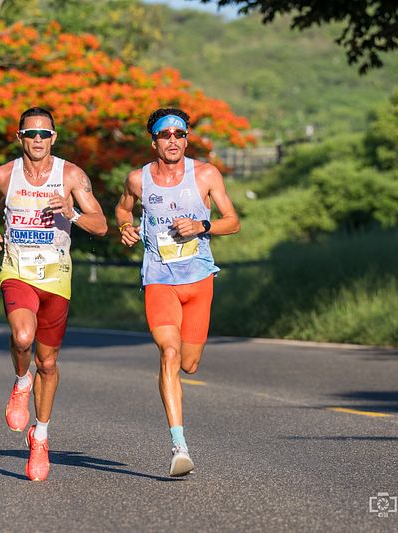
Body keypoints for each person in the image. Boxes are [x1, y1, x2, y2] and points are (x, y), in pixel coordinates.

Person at [0, 107, 107, 481]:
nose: (38, 140)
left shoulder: (71, 175)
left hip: (57, 277)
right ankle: (21, 384)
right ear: (19, 137)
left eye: (44, 134)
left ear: (54, 137)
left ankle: (41, 437)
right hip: (17, 271)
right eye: (30, 133)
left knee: (49, 364)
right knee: (23, 338)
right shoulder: (4, 175)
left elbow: (101, 224)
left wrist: (73, 212)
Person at [115, 108, 240, 476]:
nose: (174, 140)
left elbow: (232, 222)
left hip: (199, 279)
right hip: (159, 280)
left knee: (189, 363)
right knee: (169, 353)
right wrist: (125, 227)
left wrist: (202, 225)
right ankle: (179, 446)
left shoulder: (205, 174)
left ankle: (179, 435)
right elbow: (123, 210)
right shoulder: (138, 180)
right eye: (166, 134)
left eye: (180, 134)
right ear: (153, 141)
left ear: (186, 139)